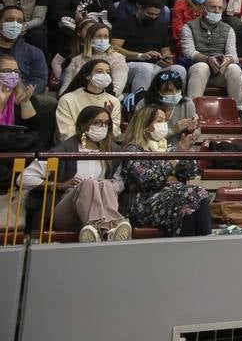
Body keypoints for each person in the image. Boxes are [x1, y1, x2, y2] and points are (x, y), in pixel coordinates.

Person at [20, 105, 129, 241]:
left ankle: (104, 229)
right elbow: (23, 178)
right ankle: (105, 228)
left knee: (106, 184)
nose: (102, 127)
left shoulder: (114, 151)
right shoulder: (63, 150)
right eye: (97, 123)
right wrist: (58, 185)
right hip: (65, 212)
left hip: (103, 208)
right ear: (84, 125)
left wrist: (103, 185)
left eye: (106, 123)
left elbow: (120, 183)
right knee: (88, 184)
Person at [119, 105, 213, 237]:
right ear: (145, 124)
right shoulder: (133, 150)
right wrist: (174, 159)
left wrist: (184, 153)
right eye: (158, 121)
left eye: (164, 121)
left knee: (192, 200)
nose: (163, 125)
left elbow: (190, 172)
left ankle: (199, 244)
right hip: (142, 202)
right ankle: (205, 240)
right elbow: (147, 180)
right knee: (192, 194)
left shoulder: (166, 147)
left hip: (172, 196)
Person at [181, 0, 242, 113]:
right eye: (213, 7)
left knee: (234, 68)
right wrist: (207, 59)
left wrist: (228, 60)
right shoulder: (189, 27)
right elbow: (188, 52)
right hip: (197, 72)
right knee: (202, 66)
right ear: (203, 9)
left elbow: (233, 55)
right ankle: (191, 111)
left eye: (220, 8)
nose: (217, 11)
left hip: (219, 72)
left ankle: (238, 111)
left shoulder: (228, 29)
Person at [112, 0, 186, 94]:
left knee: (179, 69)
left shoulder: (161, 25)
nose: (153, 17)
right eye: (150, 14)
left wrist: (167, 59)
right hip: (129, 65)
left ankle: (174, 103)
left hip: (155, 65)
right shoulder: (124, 22)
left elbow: (166, 50)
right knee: (145, 68)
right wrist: (140, 56)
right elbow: (115, 48)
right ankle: (139, 104)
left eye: (157, 14)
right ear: (140, 8)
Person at [55, 58, 122, 144]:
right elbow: (66, 132)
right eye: (99, 71)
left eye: (108, 72)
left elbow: (115, 131)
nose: (105, 75)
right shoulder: (68, 99)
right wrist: (87, 144)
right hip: (74, 147)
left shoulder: (113, 101)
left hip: (103, 146)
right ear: (87, 76)